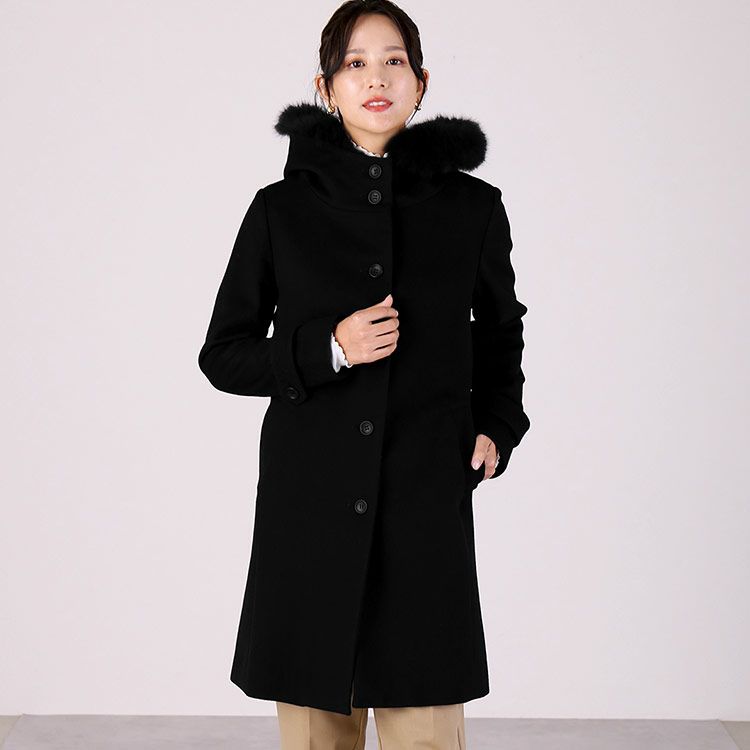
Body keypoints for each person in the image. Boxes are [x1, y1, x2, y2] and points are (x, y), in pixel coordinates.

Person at [198, 1, 531, 747]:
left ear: (421, 81)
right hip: (309, 510)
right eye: (354, 64)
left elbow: (501, 330)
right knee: (317, 733)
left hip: (424, 500)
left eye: (393, 61)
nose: (375, 78)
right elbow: (224, 353)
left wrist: (498, 423)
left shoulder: (473, 208)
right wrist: (329, 349)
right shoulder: (281, 211)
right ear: (325, 87)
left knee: (426, 729)